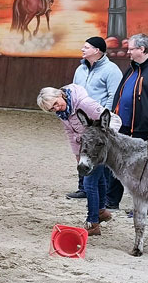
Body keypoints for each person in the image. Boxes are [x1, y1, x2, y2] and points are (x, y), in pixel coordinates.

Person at [38, 85, 120, 235]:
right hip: (87, 150)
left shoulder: (84, 104)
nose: (56, 109)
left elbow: (112, 119)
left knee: (89, 182)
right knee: (98, 178)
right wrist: (77, 155)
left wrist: (104, 140)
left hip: (98, 148)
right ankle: (101, 211)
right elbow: (70, 134)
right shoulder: (64, 113)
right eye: (52, 109)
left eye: (56, 104)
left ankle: (92, 222)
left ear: (61, 95)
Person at [105, 33, 148, 210]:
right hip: (124, 126)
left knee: (143, 169)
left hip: (143, 128)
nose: (128, 52)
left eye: (131, 48)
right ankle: (112, 200)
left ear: (142, 49)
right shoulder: (133, 68)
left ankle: (143, 206)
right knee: (119, 164)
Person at [66, 36, 123, 199]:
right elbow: (73, 91)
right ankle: (83, 187)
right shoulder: (80, 70)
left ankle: (100, 190)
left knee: (100, 154)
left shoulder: (112, 70)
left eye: (86, 47)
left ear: (97, 51)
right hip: (82, 118)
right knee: (82, 150)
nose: (82, 49)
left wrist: (105, 117)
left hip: (100, 120)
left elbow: (114, 94)